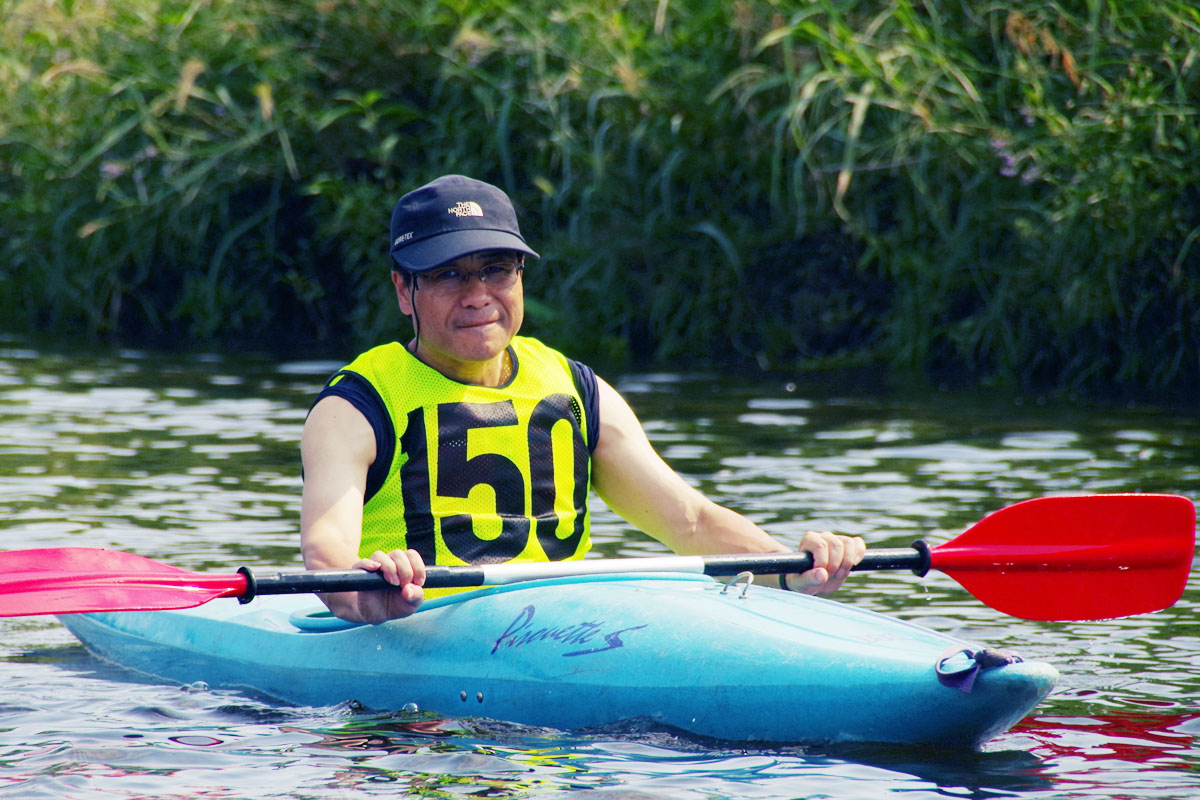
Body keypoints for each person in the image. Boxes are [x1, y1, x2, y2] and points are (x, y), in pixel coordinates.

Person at [299, 174, 865, 623]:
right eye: (448, 275)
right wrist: (368, 597)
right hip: (412, 634)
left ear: (520, 275)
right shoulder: (356, 406)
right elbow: (327, 551)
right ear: (404, 289)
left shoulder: (576, 388)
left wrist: (790, 568)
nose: (478, 296)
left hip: (557, 631)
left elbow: (690, 522)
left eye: (496, 269)